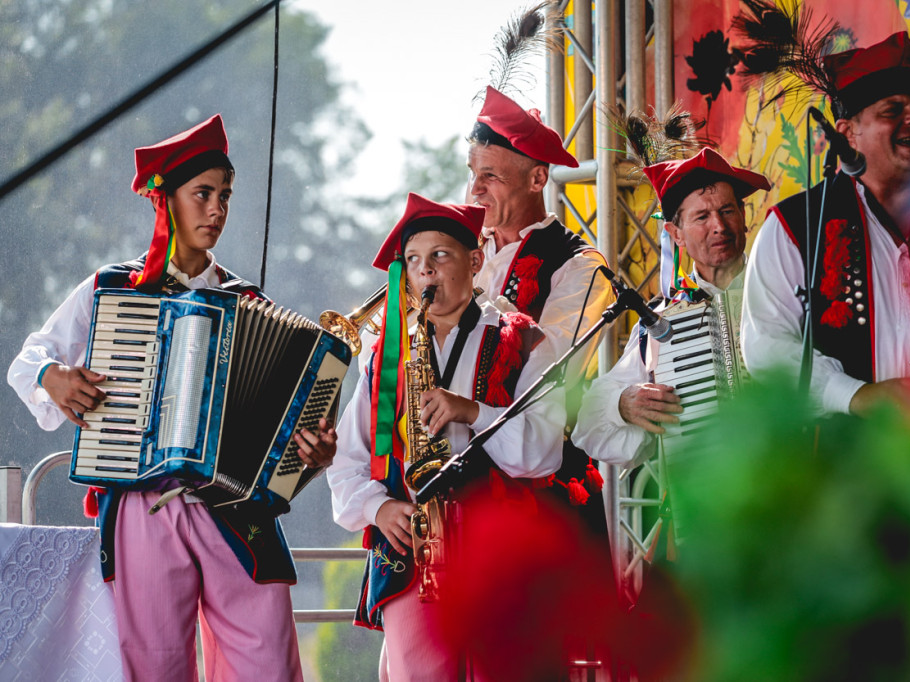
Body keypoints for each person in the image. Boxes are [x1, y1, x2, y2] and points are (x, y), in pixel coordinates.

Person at [6, 114, 335, 681]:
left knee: (269, 662)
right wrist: (52, 378)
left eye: (224, 195)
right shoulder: (110, 288)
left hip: (237, 511)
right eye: (202, 194)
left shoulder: (247, 300)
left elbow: (284, 434)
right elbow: (26, 362)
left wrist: (309, 452)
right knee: (153, 666)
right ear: (166, 203)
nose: (216, 209)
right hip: (142, 506)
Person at [326, 193, 566, 680]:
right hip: (413, 552)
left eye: (440, 256)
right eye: (413, 261)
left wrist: (472, 411)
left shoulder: (524, 340)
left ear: (475, 261)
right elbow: (348, 463)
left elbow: (543, 454)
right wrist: (380, 508)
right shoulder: (383, 356)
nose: (425, 273)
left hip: (498, 552)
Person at [741, 31, 910, 417]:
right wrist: (854, 394)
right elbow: (765, 344)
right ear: (848, 133)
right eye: (892, 110)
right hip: (847, 461)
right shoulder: (797, 225)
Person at [468, 84, 615, 518]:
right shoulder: (457, 250)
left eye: (491, 176)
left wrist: (460, 295)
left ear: (537, 179)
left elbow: (553, 368)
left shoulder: (581, 266)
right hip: (459, 492)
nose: (475, 189)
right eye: (472, 172)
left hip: (543, 499)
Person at [573, 148, 771, 467]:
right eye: (702, 217)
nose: (719, 226)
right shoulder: (659, 323)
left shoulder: (781, 292)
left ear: (744, 216)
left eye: (728, 210)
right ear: (675, 234)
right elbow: (587, 426)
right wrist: (621, 406)